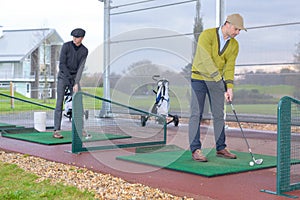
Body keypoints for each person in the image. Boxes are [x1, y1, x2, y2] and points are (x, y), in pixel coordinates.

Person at [189, 14, 247, 161]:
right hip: (199, 79)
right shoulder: (207, 35)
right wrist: (218, 80)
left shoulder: (234, 45)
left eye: (240, 30)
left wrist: (229, 87)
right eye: (236, 29)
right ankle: (195, 149)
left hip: (217, 81)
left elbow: (229, 67)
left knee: (219, 114)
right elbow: (205, 60)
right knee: (196, 114)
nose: (237, 33)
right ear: (227, 24)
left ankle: (221, 147)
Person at [53, 28, 88, 139]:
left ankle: (80, 129)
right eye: (73, 36)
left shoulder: (84, 51)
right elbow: (62, 65)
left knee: (78, 103)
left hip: (74, 79)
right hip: (63, 77)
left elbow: (81, 68)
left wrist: (76, 82)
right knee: (59, 103)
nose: (74, 39)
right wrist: (71, 81)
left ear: (81, 38)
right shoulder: (66, 46)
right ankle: (56, 131)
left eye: (77, 37)